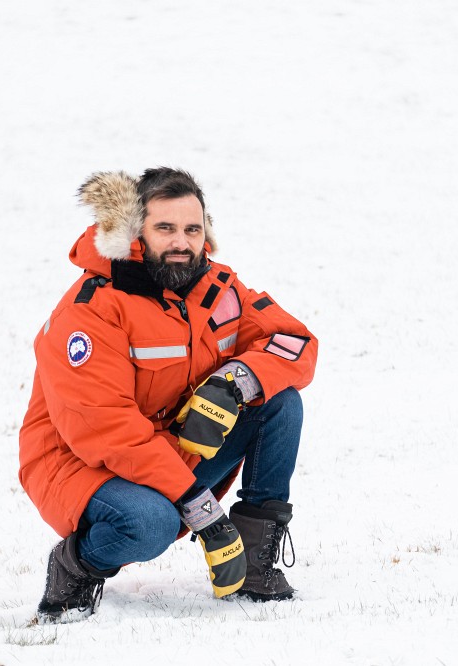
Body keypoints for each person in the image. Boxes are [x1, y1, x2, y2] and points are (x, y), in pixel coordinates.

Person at [18, 167, 317, 624]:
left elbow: (293, 341)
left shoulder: (217, 289)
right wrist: (204, 511)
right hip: (81, 463)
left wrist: (235, 381)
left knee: (279, 403)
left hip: (170, 448)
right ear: (134, 232)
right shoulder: (90, 310)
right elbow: (107, 432)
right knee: (149, 523)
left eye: (192, 229)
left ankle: (252, 567)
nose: (182, 242)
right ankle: (75, 568)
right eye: (166, 228)